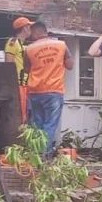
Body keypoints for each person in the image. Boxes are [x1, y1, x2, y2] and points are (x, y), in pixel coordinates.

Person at [24, 21, 73, 156]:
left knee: (37, 125)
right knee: (50, 125)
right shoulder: (61, 45)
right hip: (54, 91)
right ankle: (43, 156)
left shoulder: (29, 49)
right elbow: (70, 65)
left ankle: (35, 155)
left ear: (35, 32)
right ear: (45, 31)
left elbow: (26, 70)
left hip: (35, 91)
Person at [5, 17, 33, 121]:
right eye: (29, 26)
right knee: (21, 115)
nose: (31, 29)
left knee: (27, 114)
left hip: (26, 85)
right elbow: (8, 64)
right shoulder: (13, 42)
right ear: (25, 28)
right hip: (18, 85)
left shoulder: (24, 45)